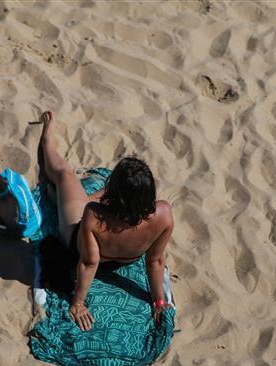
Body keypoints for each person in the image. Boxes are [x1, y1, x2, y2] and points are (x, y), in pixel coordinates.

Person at [37, 110, 174, 331]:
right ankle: (68, 196)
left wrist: (78, 303)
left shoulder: (92, 214)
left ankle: (47, 142)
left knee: (65, 175)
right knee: (114, 196)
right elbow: (155, 261)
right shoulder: (165, 214)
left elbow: (89, 262)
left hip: (80, 245)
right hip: (126, 258)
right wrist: (158, 302)